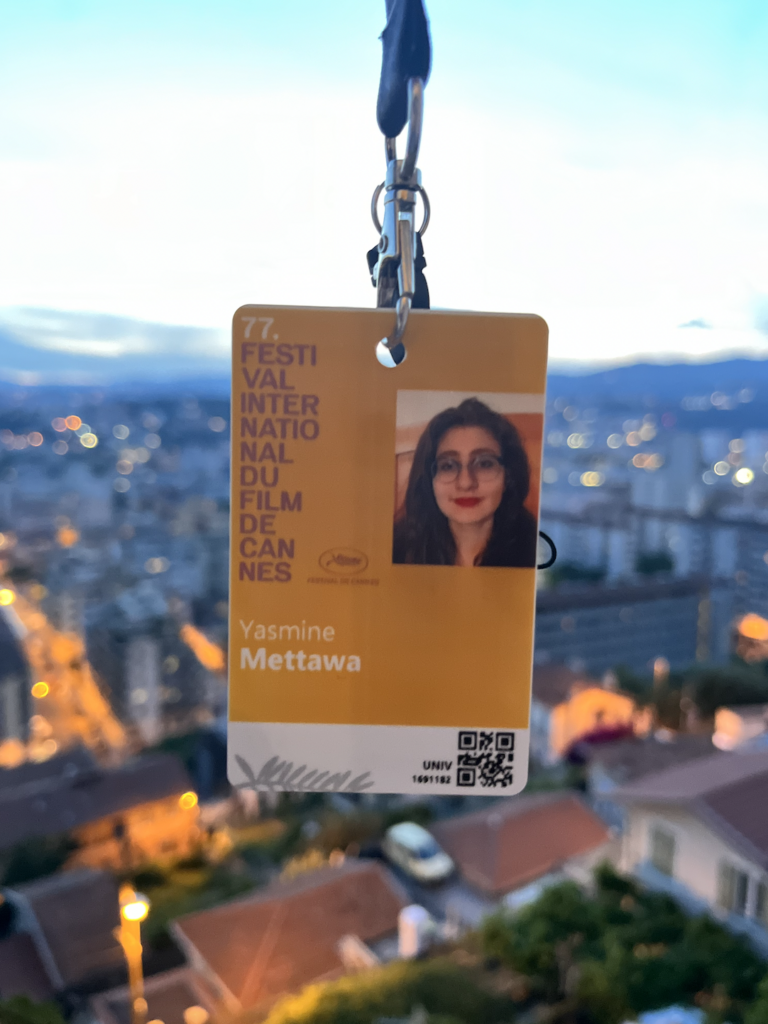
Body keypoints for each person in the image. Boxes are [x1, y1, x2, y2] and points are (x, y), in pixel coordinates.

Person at [393, 397, 537, 567]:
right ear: (429, 480)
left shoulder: (536, 551)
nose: (466, 483)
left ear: (509, 476)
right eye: (448, 466)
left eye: (484, 464)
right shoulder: (396, 549)